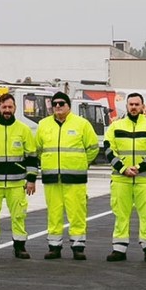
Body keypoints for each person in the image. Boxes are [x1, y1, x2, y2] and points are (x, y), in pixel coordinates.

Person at [35, 91, 99, 260]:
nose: (57, 106)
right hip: (51, 178)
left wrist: (81, 164)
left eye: (61, 103)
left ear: (68, 106)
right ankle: (54, 247)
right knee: (54, 213)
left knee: (77, 212)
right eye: (54, 103)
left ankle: (78, 246)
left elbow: (93, 148)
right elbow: (38, 150)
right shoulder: (43, 125)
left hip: (75, 179)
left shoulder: (82, 124)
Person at [0, 93, 38, 259]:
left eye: (10, 107)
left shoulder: (23, 130)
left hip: (17, 183)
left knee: (19, 216)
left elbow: (32, 156)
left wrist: (31, 180)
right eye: (4, 107)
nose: (7, 110)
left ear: (15, 108)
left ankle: (19, 247)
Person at [104, 92, 146, 262]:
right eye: (131, 104)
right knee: (121, 214)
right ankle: (119, 249)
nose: (134, 107)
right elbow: (109, 150)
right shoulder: (116, 127)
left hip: (145, 180)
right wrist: (122, 168)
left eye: (137, 104)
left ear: (142, 106)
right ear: (127, 106)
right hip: (121, 179)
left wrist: (139, 168)